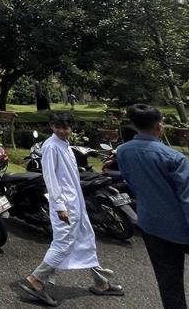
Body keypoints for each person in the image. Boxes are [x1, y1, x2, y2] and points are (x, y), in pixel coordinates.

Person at [20, 112, 123, 306]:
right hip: (65, 205)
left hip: (76, 203)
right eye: (59, 127)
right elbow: (50, 178)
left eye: (66, 127)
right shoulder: (51, 147)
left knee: (86, 239)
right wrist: (59, 207)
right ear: (51, 126)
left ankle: (101, 282)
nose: (63, 131)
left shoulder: (64, 145)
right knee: (63, 244)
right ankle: (36, 279)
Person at [116, 104, 189, 309]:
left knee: (169, 284)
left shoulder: (123, 151)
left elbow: (130, 182)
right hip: (186, 230)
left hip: (151, 225)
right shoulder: (174, 158)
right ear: (159, 126)